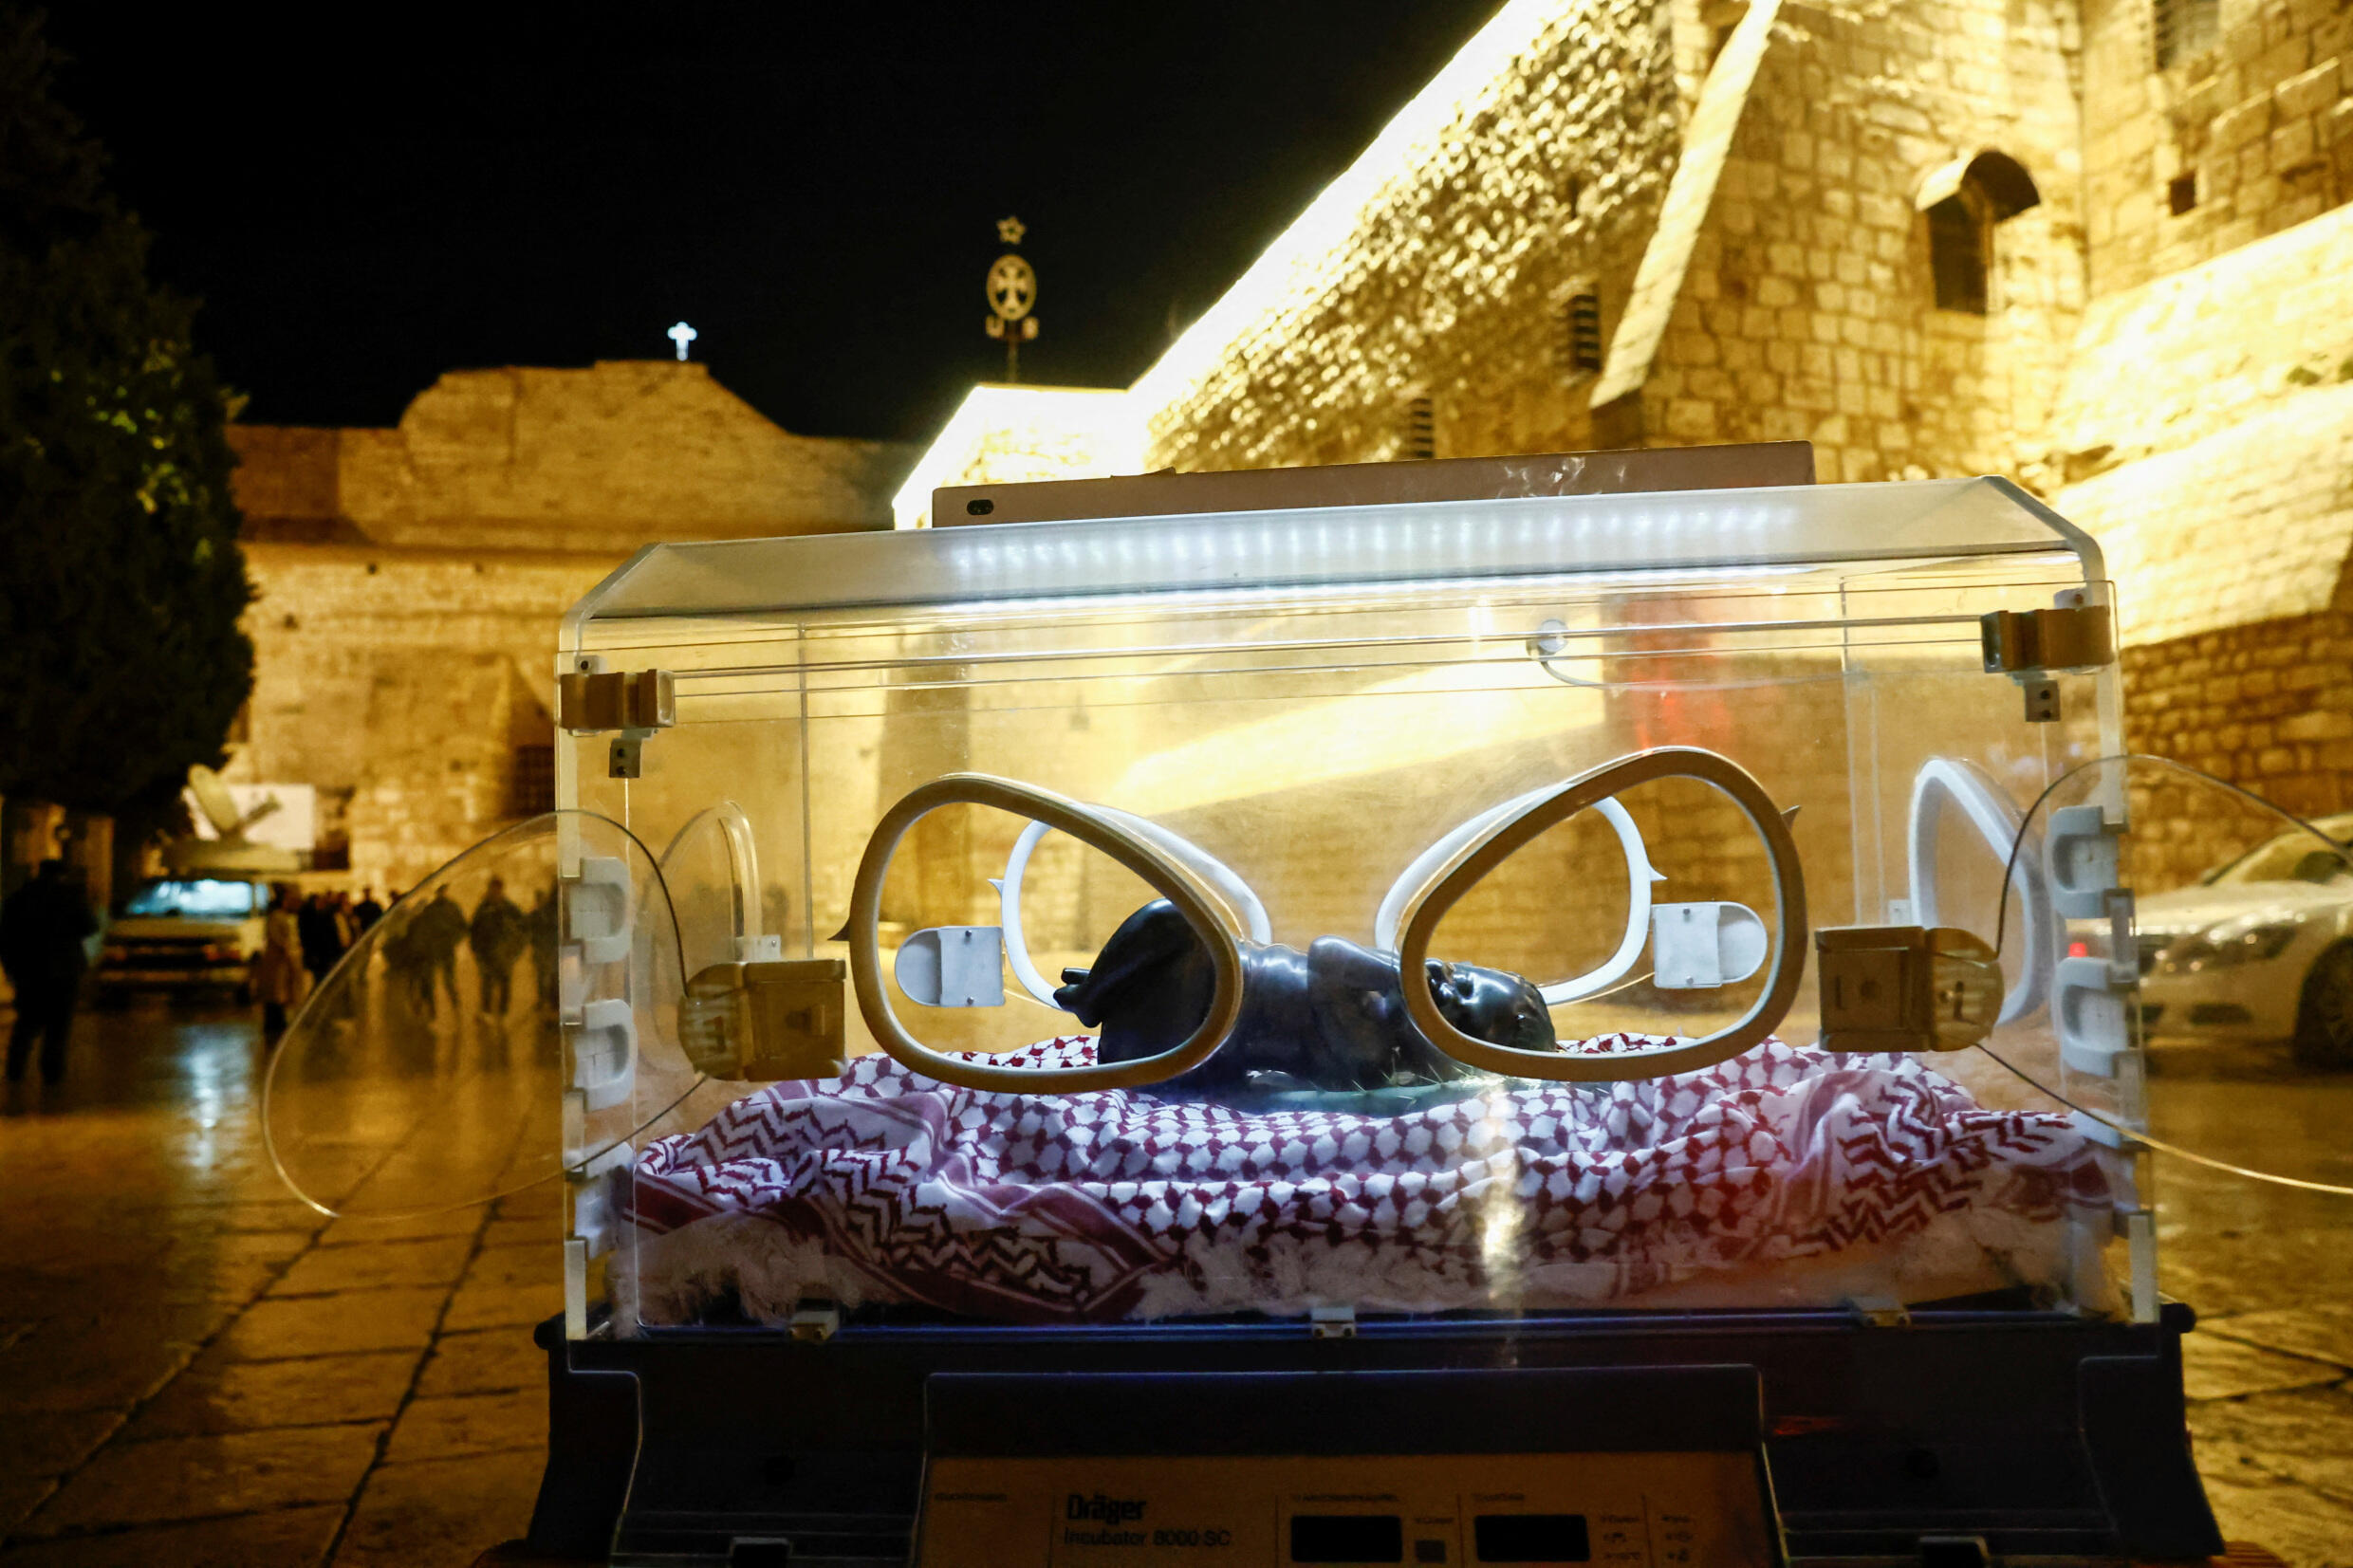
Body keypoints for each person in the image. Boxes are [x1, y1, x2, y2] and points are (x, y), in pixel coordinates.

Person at [0, 858, 99, 1086]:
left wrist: (11, 968)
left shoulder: (19, 897)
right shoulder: (70, 897)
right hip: (64, 972)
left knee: (26, 1023)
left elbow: (5, 936)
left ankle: (15, 1071)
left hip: (28, 971)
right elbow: (90, 927)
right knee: (58, 1026)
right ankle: (51, 1073)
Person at [252, 883, 309, 1039]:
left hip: (281, 960)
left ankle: (278, 1021)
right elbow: (278, 937)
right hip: (277, 960)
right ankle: (274, 1023)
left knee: (279, 992)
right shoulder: (277, 917)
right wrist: (287, 949)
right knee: (275, 992)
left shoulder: (281, 916)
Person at [469, 876, 528, 1017]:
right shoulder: (482, 908)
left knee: (505, 985)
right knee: (487, 985)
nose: (495, 892)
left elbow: (524, 929)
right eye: (492, 889)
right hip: (486, 955)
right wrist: (477, 952)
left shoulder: (510, 908)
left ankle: (502, 1014)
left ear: (501, 890)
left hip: (505, 955)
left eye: (497, 889)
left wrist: (516, 951)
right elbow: (473, 931)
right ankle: (487, 1012)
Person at [410, 888, 470, 1019]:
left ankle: (455, 1007)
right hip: (432, 951)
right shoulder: (430, 909)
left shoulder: (453, 908)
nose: (440, 893)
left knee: (449, 980)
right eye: (438, 891)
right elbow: (423, 929)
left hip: (447, 950)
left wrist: (453, 940)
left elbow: (463, 927)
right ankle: (432, 1011)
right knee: (429, 981)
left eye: (442, 890)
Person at [296, 893, 343, 987]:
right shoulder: (312, 919)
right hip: (319, 954)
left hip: (323, 954)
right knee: (321, 979)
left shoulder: (322, 916)